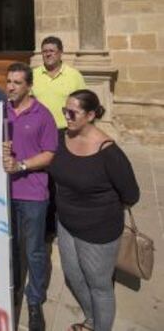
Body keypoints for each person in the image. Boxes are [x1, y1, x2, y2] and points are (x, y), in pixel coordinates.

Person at [49, 90, 140, 331]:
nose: (66, 116)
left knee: (100, 285)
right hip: (66, 223)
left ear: (90, 115)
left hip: (99, 231)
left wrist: (97, 210)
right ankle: (91, 319)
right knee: (73, 275)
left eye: (72, 112)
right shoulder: (59, 137)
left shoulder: (108, 152)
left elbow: (131, 195)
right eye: (64, 111)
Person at [2, 63, 58, 331]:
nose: (10, 87)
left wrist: (21, 165)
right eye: (8, 81)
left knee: (34, 250)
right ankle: (11, 290)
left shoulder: (42, 114)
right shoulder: (1, 111)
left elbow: (49, 154)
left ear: (29, 86)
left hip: (33, 193)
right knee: (10, 246)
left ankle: (34, 301)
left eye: (16, 83)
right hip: (3, 193)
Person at [32, 36, 86, 129]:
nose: (48, 54)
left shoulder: (74, 75)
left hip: (66, 130)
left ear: (61, 53)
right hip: (39, 130)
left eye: (52, 51)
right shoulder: (32, 75)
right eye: (45, 51)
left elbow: (84, 104)